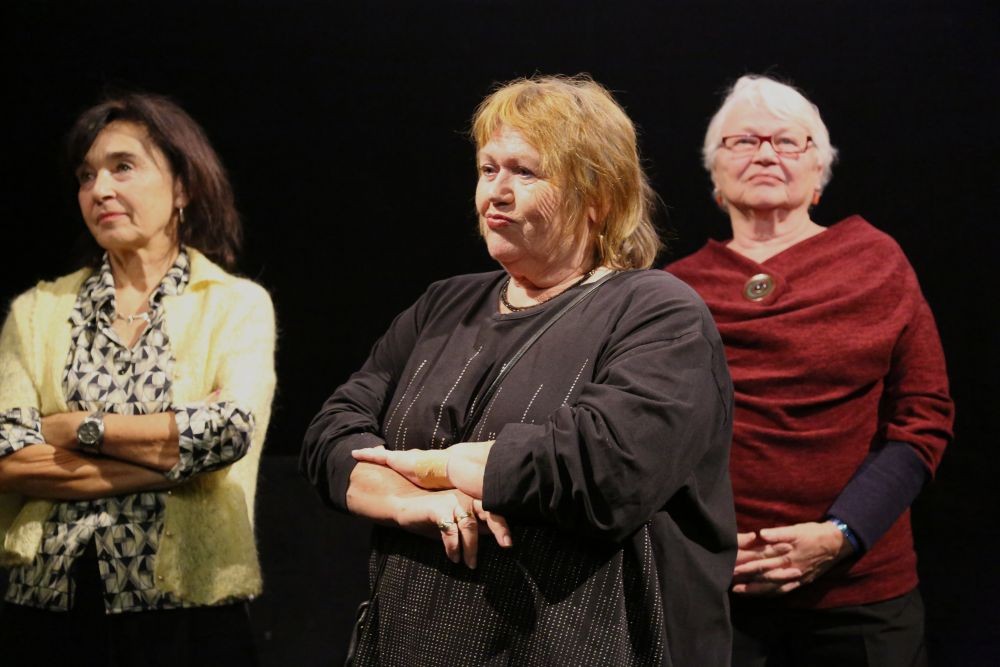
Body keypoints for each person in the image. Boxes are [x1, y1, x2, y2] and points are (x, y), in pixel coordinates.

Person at [302, 74, 736, 666]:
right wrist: (412, 502)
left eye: (525, 173)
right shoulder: (443, 305)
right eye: (488, 170)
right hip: (410, 642)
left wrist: (435, 466)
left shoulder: (658, 312)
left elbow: (604, 468)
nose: (496, 194)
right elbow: (330, 435)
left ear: (598, 199)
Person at [666, 75, 954, 667]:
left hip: (860, 595)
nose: (765, 154)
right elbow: (652, 438)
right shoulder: (674, 288)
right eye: (743, 141)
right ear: (715, 174)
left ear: (819, 171)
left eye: (787, 142)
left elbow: (923, 417)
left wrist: (843, 534)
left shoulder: (877, 261)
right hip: (717, 592)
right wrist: (702, 547)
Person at [0, 92, 276, 666]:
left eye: (122, 166)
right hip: (49, 604)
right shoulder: (36, 312)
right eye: (86, 176)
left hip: (190, 605)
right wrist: (177, 462)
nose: (99, 189)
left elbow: (228, 434)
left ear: (183, 187)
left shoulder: (235, 305)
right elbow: (8, 458)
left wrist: (78, 427)